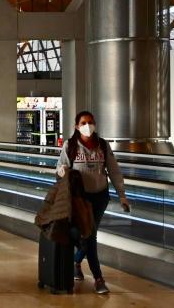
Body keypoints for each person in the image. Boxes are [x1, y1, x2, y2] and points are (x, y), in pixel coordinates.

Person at [55, 110, 130, 295]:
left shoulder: (102, 146)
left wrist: (122, 195)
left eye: (90, 122)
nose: (87, 126)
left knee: (89, 235)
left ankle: (76, 262)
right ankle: (98, 278)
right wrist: (63, 170)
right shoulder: (70, 145)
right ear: (76, 126)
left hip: (99, 197)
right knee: (90, 236)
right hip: (80, 198)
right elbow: (59, 168)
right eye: (83, 123)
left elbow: (114, 171)